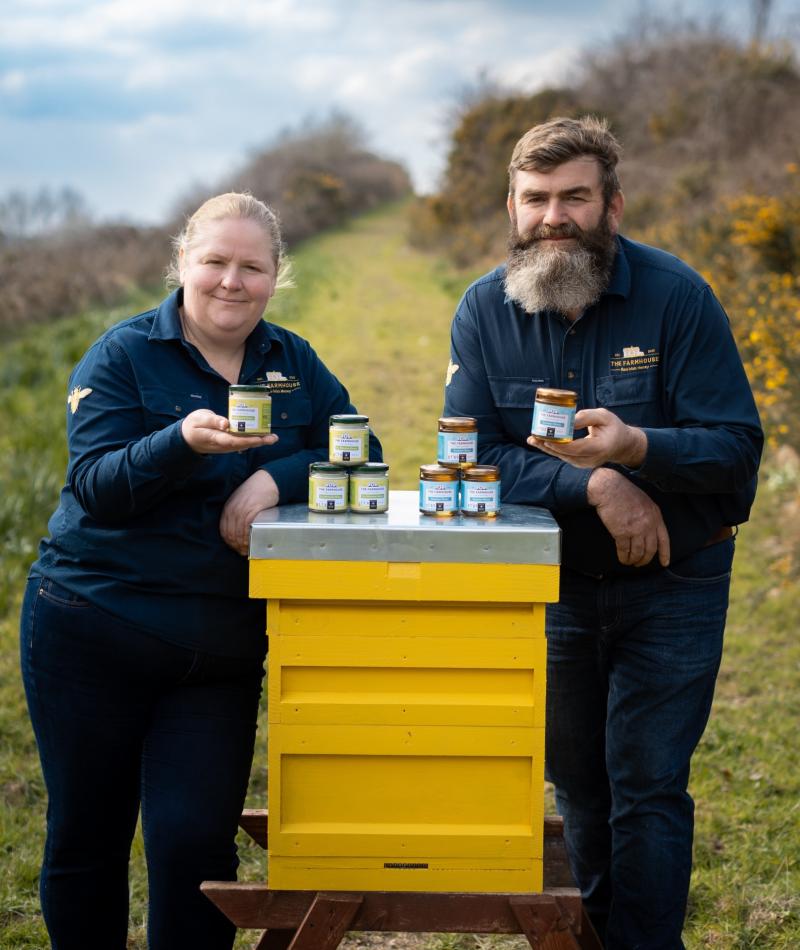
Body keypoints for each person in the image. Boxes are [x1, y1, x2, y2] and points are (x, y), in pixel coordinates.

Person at [20, 191, 381, 950]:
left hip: (215, 649)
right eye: (214, 261)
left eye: (252, 267)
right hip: (92, 627)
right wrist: (180, 440)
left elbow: (362, 454)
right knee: (88, 836)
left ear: (275, 277)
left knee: (193, 846)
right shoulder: (123, 355)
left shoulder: (293, 361)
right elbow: (98, 487)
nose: (231, 281)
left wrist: (272, 480)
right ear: (182, 262)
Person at [443, 117, 762, 949]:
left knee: (648, 784)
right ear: (512, 208)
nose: (556, 216)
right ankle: (600, 933)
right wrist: (598, 484)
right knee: (580, 782)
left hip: (677, 580)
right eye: (537, 199)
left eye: (575, 197)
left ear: (612, 205)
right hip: (552, 583)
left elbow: (736, 450)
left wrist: (639, 446)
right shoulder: (483, 309)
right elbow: (468, 455)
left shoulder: (678, 298)